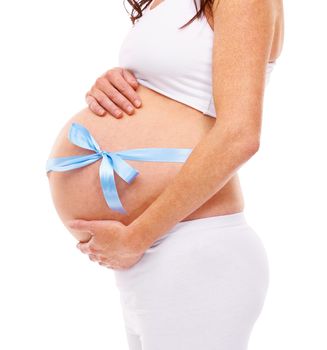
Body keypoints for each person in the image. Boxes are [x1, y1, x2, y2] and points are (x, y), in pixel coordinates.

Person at [46, 0, 284, 349]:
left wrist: (136, 237)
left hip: (194, 249)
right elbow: (178, 86)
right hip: (157, 253)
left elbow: (240, 136)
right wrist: (116, 83)